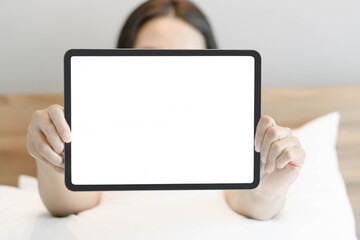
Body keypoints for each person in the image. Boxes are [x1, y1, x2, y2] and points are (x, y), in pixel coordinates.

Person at [26, 0, 305, 220]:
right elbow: (68, 206)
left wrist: (269, 189)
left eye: (187, 58)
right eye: (151, 54)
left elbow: (248, 203)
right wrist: (50, 154)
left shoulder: (227, 135)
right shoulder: (101, 130)